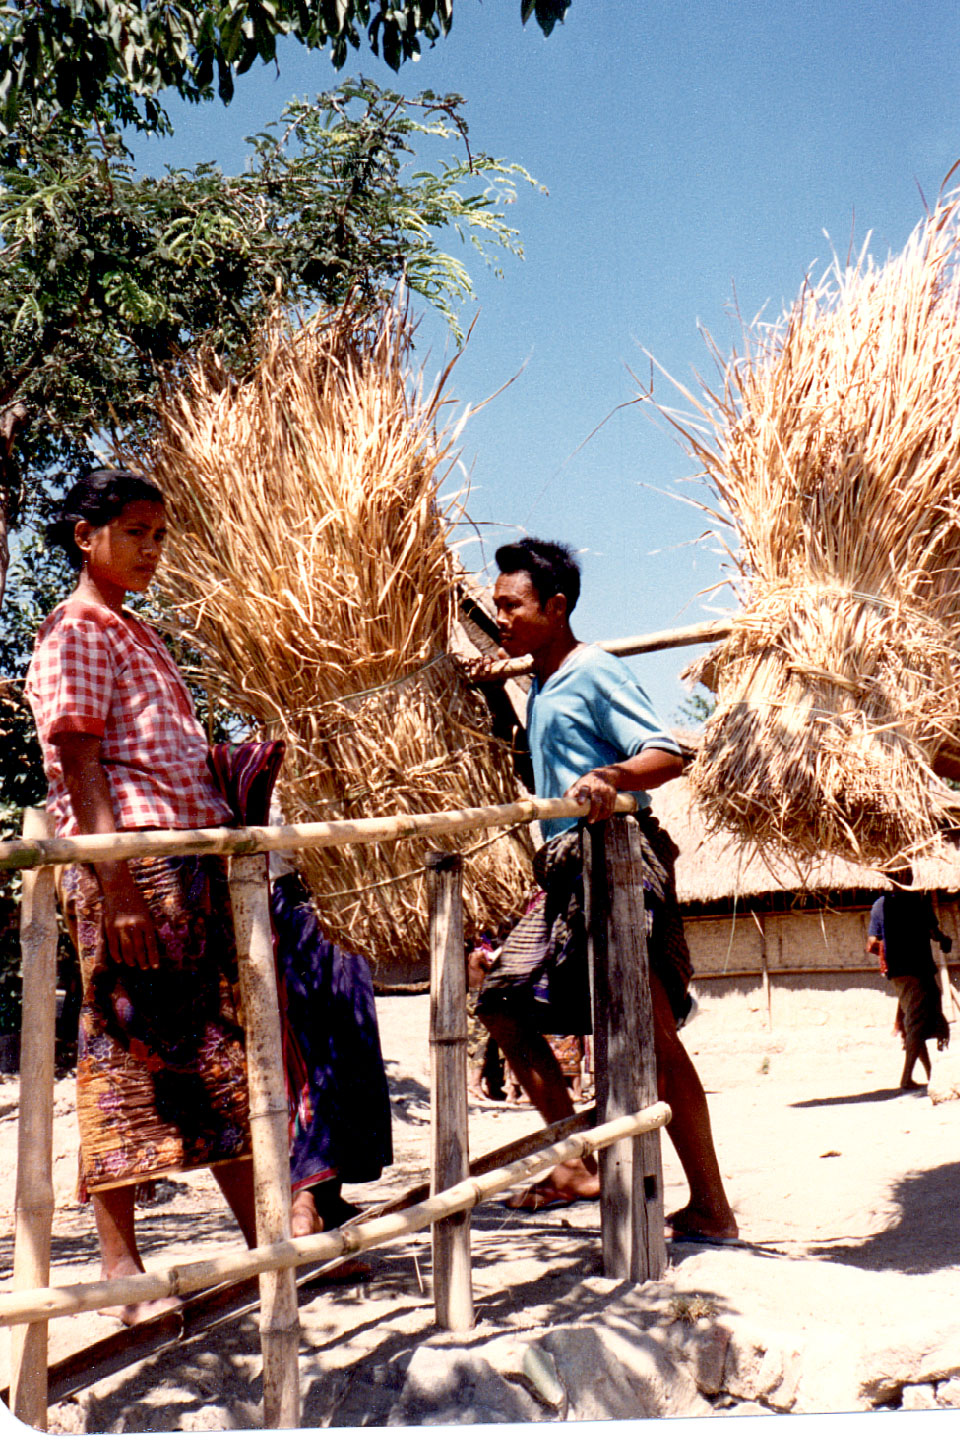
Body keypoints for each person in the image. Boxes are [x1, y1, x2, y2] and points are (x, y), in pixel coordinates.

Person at [26, 468, 257, 1325]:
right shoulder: (77, 629)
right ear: (86, 537)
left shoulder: (134, 629)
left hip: (180, 868)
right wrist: (116, 879)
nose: (151, 549)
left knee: (218, 1057)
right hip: (136, 874)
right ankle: (122, 1274)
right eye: (134, 532)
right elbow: (82, 761)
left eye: (159, 535)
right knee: (123, 1061)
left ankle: (267, 1246)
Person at [473, 537, 737, 1242]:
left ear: (555, 608)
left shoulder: (592, 670)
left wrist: (613, 779)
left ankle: (711, 1204)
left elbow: (669, 751)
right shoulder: (540, 684)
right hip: (562, 867)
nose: (500, 616)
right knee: (503, 1003)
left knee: (646, 1034)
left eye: (512, 605)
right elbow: (541, 774)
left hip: (615, 860)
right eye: (496, 605)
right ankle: (573, 1160)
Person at [866, 867, 952, 1090]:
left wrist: (889, 952)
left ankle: (930, 1074)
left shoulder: (880, 905)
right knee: (916, 1024)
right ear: (907, 878)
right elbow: (935, 934)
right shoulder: (919, 902)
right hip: (918, 970)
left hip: (897, 973)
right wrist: (944, 940)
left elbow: (872, 943)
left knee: (916, 1022)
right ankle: (906, 1079)